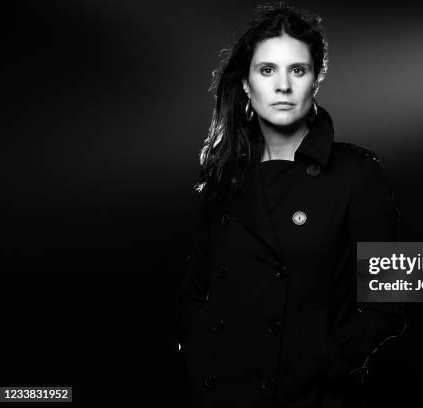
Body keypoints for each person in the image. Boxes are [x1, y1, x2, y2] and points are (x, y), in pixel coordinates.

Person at [174, 3, 406, 407]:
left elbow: (388, 300)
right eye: (267, 70)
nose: (282, 86)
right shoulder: (224, 174)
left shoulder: (356, 174)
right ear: (246, 84)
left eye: (297, 70)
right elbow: (197, 289)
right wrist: (194, 353)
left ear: (316, 79)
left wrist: (324, 364)